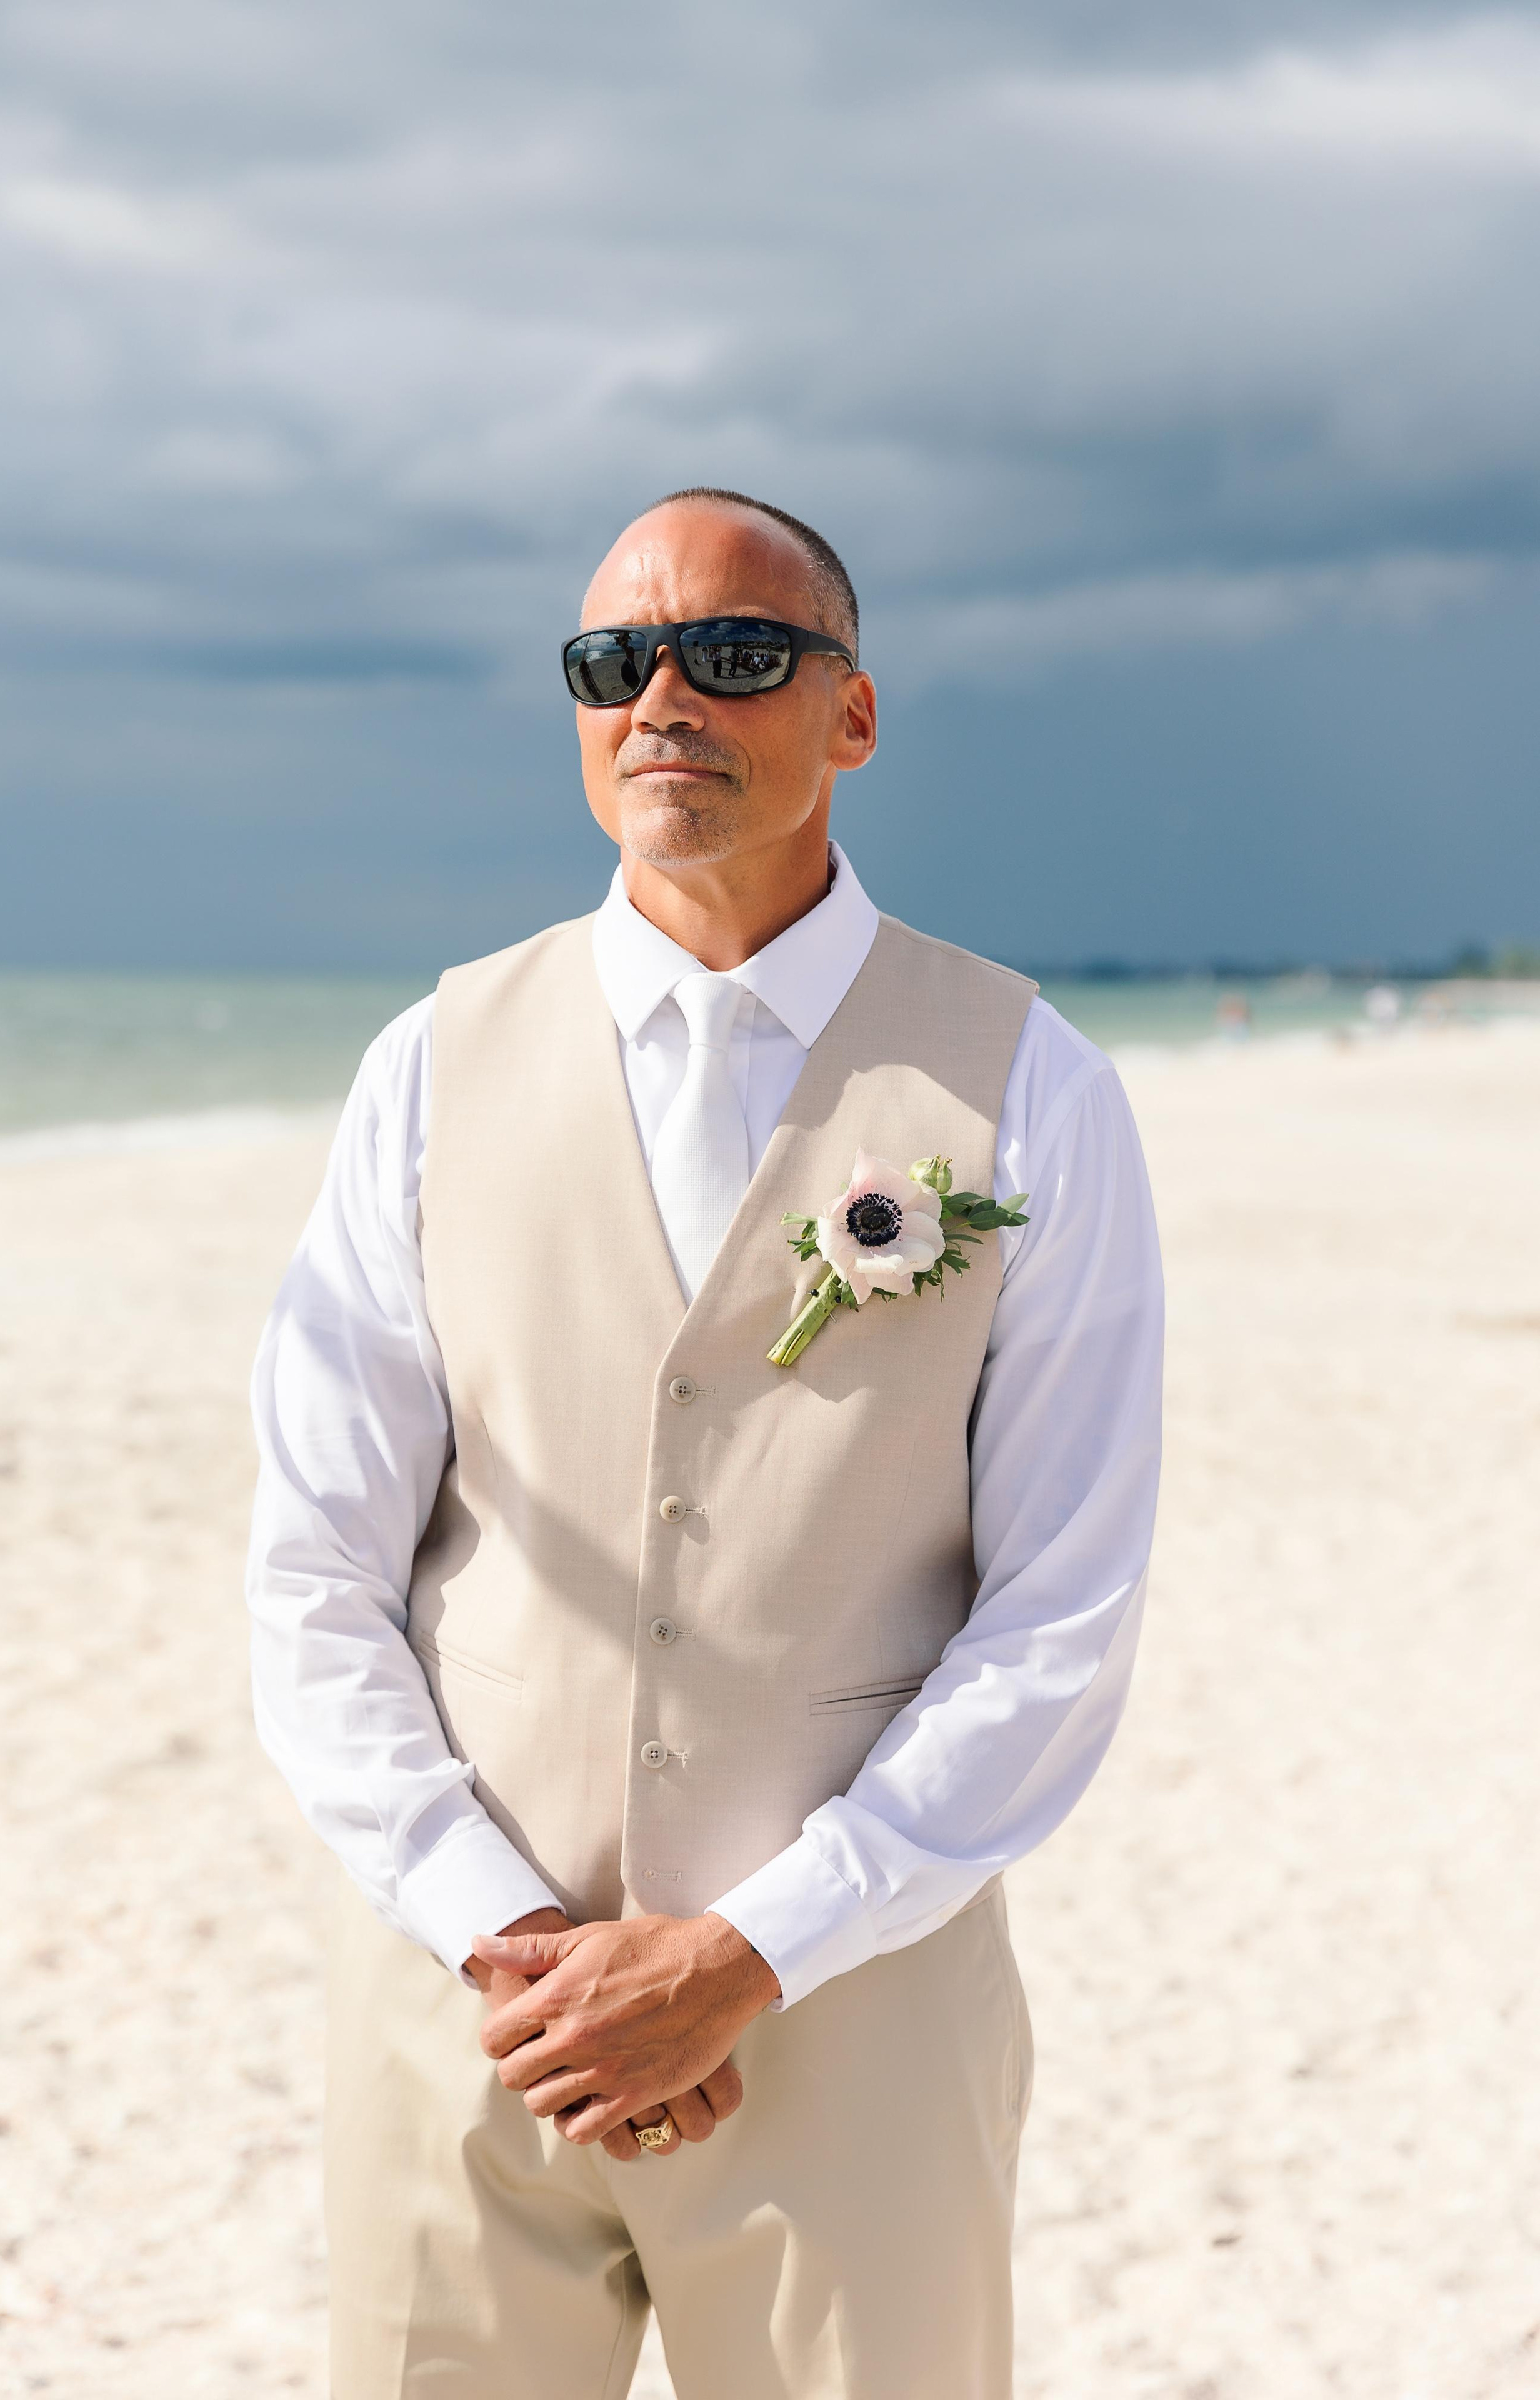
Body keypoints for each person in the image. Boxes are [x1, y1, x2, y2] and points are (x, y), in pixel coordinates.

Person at [246, 488, 1164, 2399]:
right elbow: (320, 1564)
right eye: (613, 663)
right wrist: (496, 1931)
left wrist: (750, 1953)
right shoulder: (428, 1063)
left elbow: (1062, 1613)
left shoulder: (1028, 1086)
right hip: (466, 2024)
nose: (663, 696)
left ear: (854, 716)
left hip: (860, 2024)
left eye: (734, 654)